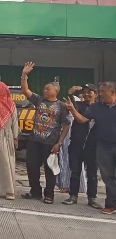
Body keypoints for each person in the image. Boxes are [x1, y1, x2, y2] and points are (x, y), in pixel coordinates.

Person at [20, 62, 70, 204]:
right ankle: (35, 192)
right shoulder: (39, 100)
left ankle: (49, 195)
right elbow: (25, 91)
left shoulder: (61, 106)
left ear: (56, 91)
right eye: (44, 89)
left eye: (48, 89)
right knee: (31, 166)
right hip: (35, 140)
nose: (45, 91)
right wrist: (24, 75)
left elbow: (66, 125)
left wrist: (59, 143)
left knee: (49, 169)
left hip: (50, 142)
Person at [65, 81, 116, 215]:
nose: (100, 94)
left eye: (102, 92)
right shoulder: (97, 107)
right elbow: (82, 119)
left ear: (113, 92)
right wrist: (72, 109)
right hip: (103, 146)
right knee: (107, 176)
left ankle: (98, 199)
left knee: (99, 175)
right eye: (99, 92)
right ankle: (111, 205)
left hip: (103, 145)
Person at [62, 84, 100, 208]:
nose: (87, 94)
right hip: (76, 145)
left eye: (90, 92)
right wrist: (70, 91)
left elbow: (81, 120)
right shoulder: (78, 105)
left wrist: (73, 110)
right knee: (75, 172)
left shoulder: (99, 108)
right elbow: (69, 101)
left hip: (93, 147)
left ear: (96, 94)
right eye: (84, 92)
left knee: (92, 174)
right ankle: (73, 196)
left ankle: (92, 198)